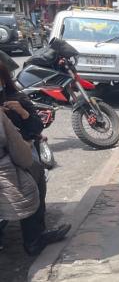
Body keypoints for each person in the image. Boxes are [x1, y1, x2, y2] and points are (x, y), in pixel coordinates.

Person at [0, 52, 71, 255]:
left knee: (34, 172)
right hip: (11, 160)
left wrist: (22, 113)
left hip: (16, 153)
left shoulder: (17, 99)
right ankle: (34, 239)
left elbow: (36, 127)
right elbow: (19, 152)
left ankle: (34, 235)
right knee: (33, 176)